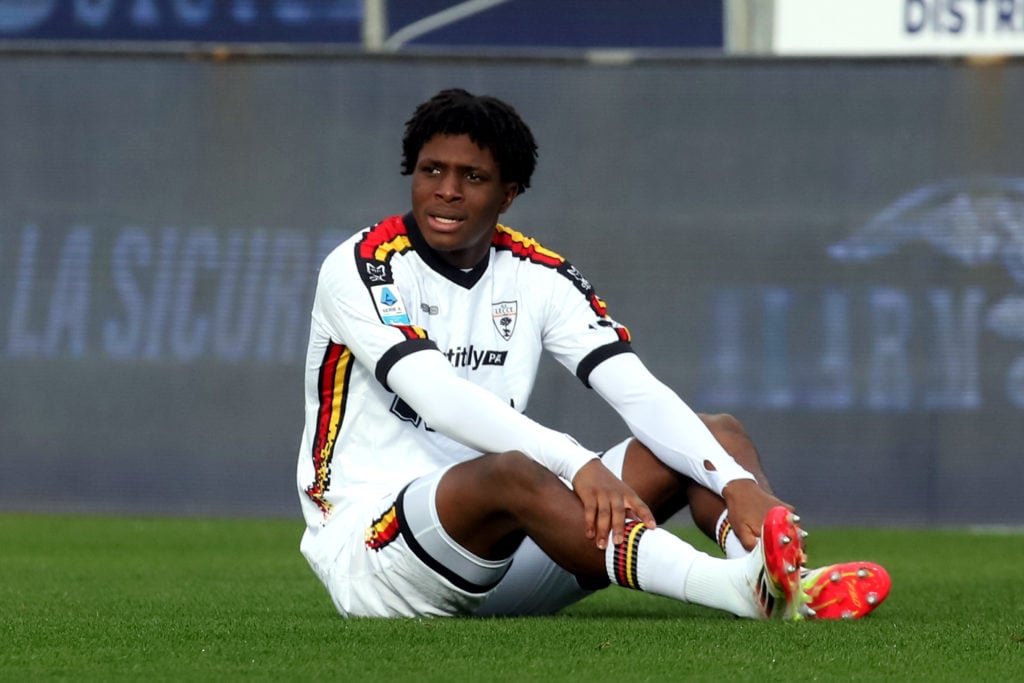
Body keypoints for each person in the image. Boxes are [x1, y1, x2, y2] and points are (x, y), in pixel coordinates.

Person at [295, 88, 890, 620]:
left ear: (508, 194)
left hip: (510, 557)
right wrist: (576, 462)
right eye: (431, 171)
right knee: (514, 469)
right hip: (373, 556)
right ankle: (730, 587)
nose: (446, 191)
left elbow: (633, 388)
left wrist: (736, 482)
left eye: (471, 177)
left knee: (717, 437)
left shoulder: (538, 273)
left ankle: (782, 586)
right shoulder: (364, 267)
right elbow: (437, 396)